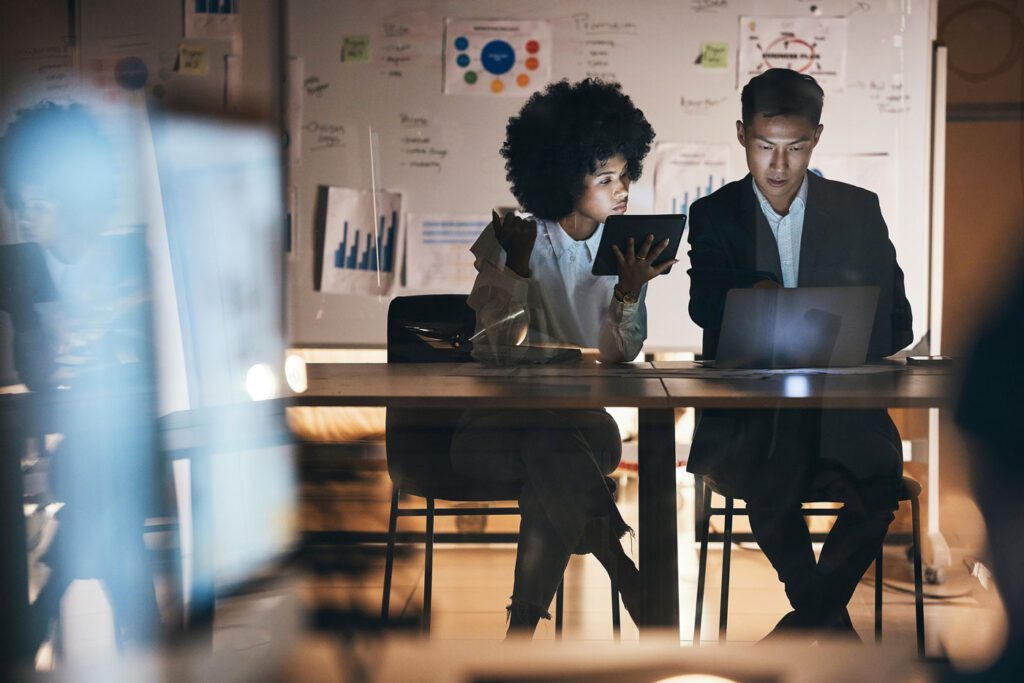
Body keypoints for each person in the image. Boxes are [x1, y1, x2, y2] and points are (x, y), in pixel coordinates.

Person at [685, 69, 914, 638]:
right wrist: (750, 301)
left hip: (840, 411)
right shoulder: (714, 214)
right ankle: (824, 619)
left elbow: (899, 320)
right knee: (771, 480)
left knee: (880, 483)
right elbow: (703, 307)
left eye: (795, 148)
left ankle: (808, 619)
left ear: (816, 138)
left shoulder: (857, 209)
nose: (779, 165)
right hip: (752, 416)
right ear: (742, 135)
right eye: (765, 147)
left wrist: (839, 323)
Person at [450, 78, 673, 636]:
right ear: (561, 179)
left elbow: (620, 355)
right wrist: (517, 269)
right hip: (490, 428)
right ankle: (620, 570)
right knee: (548, 460)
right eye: (604, 178)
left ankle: (524, 632)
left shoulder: (626, 248)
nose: (622, 189)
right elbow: (497, 354)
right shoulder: (512, 236)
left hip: (582, 427)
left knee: (550, 456)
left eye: (625, 174)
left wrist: (629, 289)